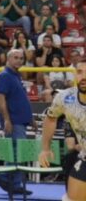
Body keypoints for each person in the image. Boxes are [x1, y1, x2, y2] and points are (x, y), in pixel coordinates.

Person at [38, 59, 86, 201]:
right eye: (80, 72)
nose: (84, 77)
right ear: (74, 74)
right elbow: (51, 118)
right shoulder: (65, 97)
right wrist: (45, 148)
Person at [0, 48, 33, 196]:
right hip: (14, 121)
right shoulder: (5, 76)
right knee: (17, 153)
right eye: (15, 57)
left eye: (21, 58)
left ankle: (13, 183)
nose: (19, 60)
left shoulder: (16, 76)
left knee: (17, 153)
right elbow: (0, 99)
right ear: (8, 59)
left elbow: (20, 99)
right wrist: (6, 120)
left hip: (20, 121)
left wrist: (31, 119)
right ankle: (5, 178)